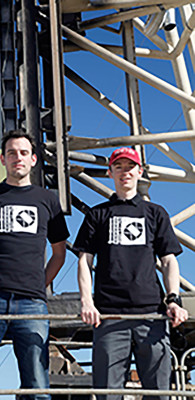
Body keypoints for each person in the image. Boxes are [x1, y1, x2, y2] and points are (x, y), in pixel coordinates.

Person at [0, 129, 70, 400]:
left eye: (23, 153)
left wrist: (38, 284)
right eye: (11, 153)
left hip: (32, 302)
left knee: (37, 384)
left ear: (33, 159)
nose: (17, 158)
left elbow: (59, 253)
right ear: (2, 159)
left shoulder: (48, 201)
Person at [74, 147, 188, 400]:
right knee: (107, 394)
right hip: (109, 315)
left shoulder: (155, 213)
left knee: (159, 393)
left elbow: (168, 260)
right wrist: (87, 301)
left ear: (140, 171)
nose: (125, 172)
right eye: (119, 167)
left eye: (130, 167)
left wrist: (173, 299)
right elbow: (84, 261)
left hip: (152, 315)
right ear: (110, 172)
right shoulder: (97, 214)